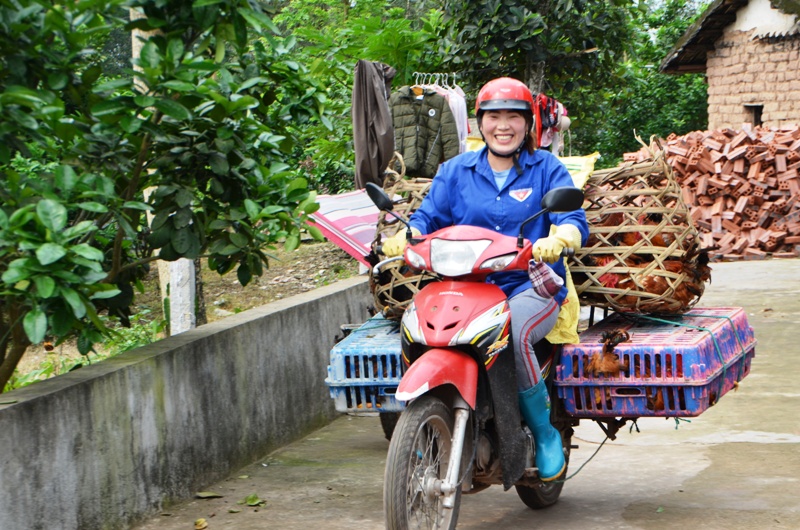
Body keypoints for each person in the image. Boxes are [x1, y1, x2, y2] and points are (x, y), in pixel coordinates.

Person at [381, 77, 589, 482]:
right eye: (494, 116)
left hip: (529, 285)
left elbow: (572, 219)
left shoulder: (547, 167)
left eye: (514, 116)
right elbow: (425, 220)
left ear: (528, 124)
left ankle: (544, 434)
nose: (504, 125)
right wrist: (404, 238)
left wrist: (560, 237)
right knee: (418, 329)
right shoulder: (455, 171)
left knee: (511, 332)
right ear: (479, 123)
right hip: (466, 288)